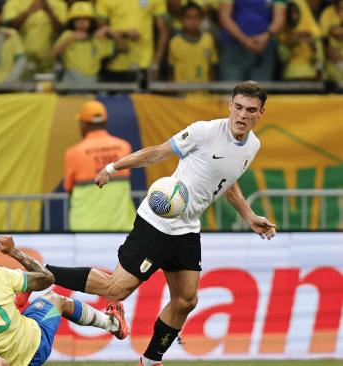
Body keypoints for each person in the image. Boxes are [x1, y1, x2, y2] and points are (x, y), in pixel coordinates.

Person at [46, 81, 277, 366]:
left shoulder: (252, 145)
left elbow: (228, 181)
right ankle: (40, 275)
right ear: (230, 105)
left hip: (188, 227)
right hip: (158, 221)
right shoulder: (204, 131)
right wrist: (111, 167)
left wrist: (249, 215)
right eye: (238, 107)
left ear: (261, 113)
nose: (242, 115)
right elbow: (156, 152)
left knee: (186, 300)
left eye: (250, 110)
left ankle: (150, 360)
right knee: (115, 289)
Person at [0, 234, 129, 366]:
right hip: (32, 349)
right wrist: (13, 252)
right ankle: (111, 323)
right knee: (58, 300)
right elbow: (47, 278)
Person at [63, 100, 135, 231]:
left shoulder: (74, 153)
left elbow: (68, 187)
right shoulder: (124, 147)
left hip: (85, 228)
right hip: (122, 226)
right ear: (105, 122)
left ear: (83, 124)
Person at [218, 0, 286, 81]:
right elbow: (224, 17)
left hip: (264, 48)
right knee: (231, 88)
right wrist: (245, 40)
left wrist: (266, 36)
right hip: (233, 48)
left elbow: (279, 18)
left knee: (259, 90)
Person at [50, 1, 114, 84]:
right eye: (77, 19)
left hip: (92, 82)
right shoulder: (68, 35)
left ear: (91, 21)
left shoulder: (97, 38)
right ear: (72, 22)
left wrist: (109, 31)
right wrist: (70, 38)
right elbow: (52, 54)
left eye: (85, 19)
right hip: (70, 80)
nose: (81, 22)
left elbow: (121, 49)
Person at [2, 0, 68, 76]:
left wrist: (49, 11)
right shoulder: (13, 2)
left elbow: (62, 31)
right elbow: (9, 29)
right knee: (21, 87)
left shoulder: (59, 4)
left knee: (49, 87)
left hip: (51, 63)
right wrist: (28, 12)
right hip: (21, 62)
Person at [168, 2, 218, 83]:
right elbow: (171, 70)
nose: (192, 21)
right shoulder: (174, 42)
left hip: (203, 93)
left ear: (202, 19)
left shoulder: (208, 39)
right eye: (188, 17)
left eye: (196, 17)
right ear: (181, 20)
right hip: (182, 93)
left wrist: (212, 89)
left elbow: (211, 67)